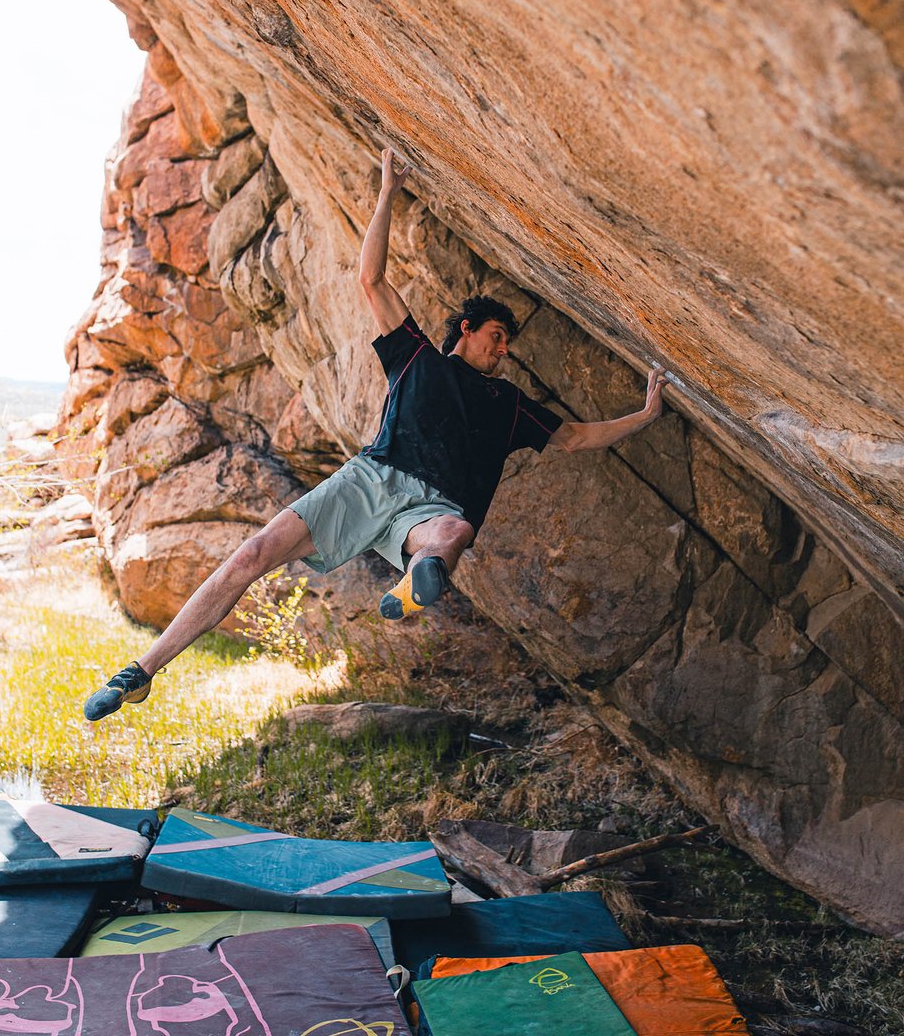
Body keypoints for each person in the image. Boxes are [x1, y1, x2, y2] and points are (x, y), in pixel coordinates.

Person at [84, 149, 667, 721]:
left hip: (433, 507)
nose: (503, 349)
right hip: (371, 479)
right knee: (254, 553)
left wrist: (644, 416)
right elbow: (372, 277)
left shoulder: (509, 403)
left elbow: (577, 437)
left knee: (455, 531)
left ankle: (418, 580)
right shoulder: (417, 358)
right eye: (496, 335)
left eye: (507, 343)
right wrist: (388, 189)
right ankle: (142, 671)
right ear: (466, 330)